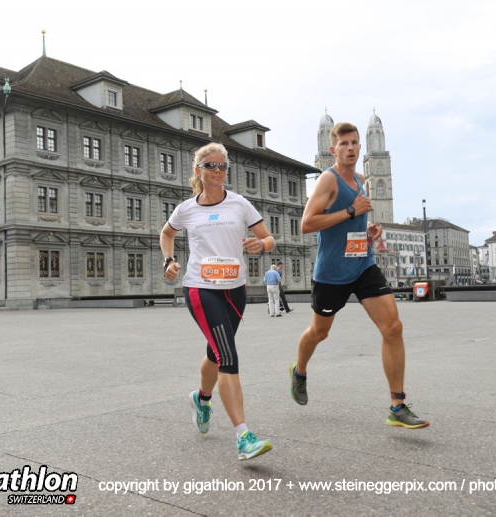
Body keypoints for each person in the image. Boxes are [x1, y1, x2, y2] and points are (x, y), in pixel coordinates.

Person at [288, 122, 429, 429]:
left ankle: (397, 406)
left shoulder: (361, 180)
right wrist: (351, 211)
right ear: (333, 150)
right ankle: (299, 371)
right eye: (344, 143)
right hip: (332, 272)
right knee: (319, 333)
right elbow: (307, 224)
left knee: (393, 327)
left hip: (363, 264)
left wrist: (367, 229)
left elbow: (350, 223)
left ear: (360, 147)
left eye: (354, 142)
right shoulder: (328, 180)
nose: (350, 147)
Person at [160, 142, 275, 461]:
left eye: (223, 165)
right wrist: (168, 261)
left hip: (235, 290)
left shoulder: (240, 204)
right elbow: (166, 234)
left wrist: (261, 246)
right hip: (200, 288)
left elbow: (268, 237)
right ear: (198, 170)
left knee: (215, 351)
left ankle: (202, 398)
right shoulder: (186, 209)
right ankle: (244, 436)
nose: (218, 170)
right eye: (210, 165)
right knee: (227, 355)